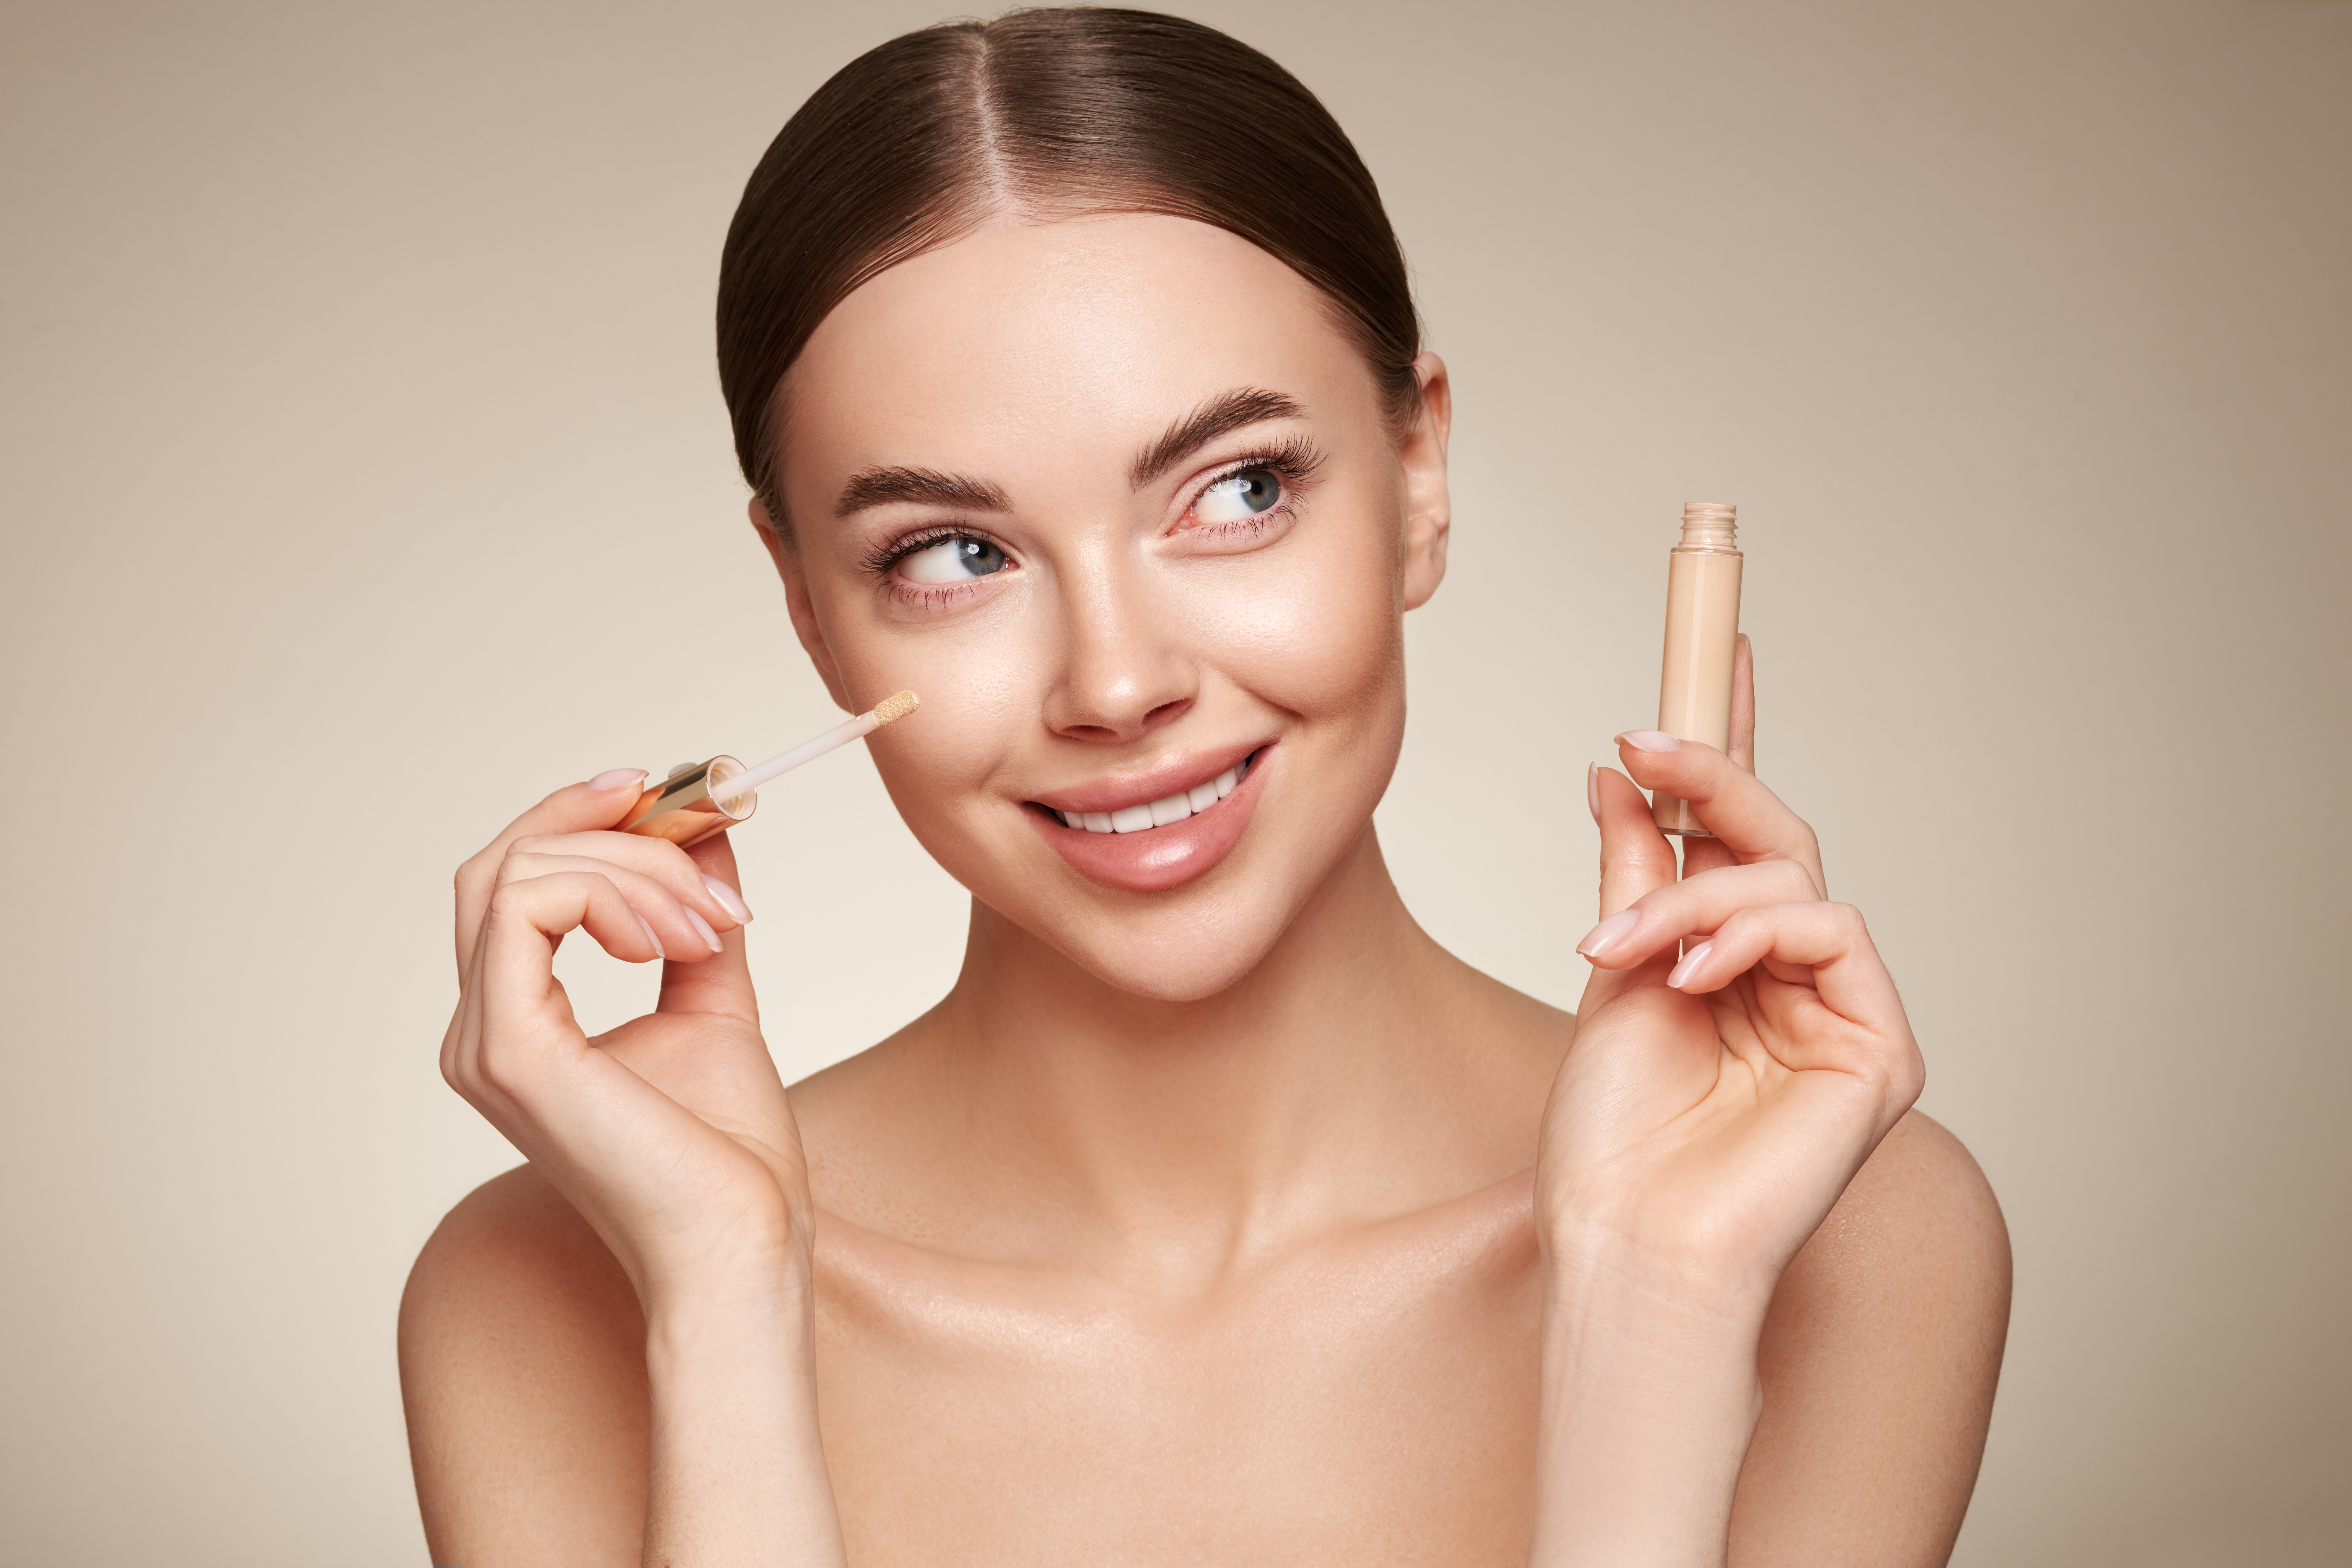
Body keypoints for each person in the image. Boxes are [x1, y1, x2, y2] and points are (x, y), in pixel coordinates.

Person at [398, 10, 2010, 1564]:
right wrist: (722, 1300)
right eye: (954, 554)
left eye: (1236, 490)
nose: (1116, 683)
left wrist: (1653, 1319)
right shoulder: (542, 1290)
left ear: (1418, 475)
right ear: (806, 598)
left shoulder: (1846, 1240)